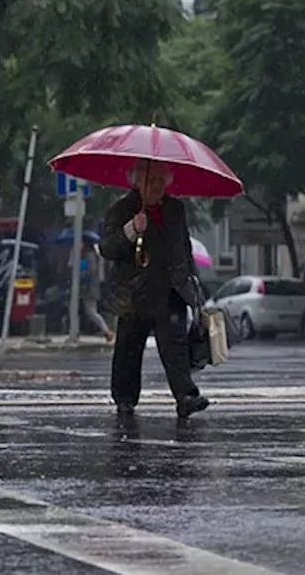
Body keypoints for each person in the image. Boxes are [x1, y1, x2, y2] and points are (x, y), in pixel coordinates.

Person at [99, 159, 210, 419]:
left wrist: (192, 285)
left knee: (175, 348)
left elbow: (184, 248)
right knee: (129, 347)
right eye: (151, 180)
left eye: (161, 180)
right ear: (136, 181)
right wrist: (131, 230)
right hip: (135, 292)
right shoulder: (122, 209)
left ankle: (186, 396)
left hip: (170, 291)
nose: (157, 186)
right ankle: (125, 399)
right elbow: (108, 248)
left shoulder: (175, 209)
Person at [79, 240, 115, 342]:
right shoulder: (86, 255)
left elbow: (91, 271)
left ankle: (107, 331)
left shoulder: (90, 255)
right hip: (88, 287)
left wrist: (82, 274)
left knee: (91, 311)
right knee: (87, 311)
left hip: (89, 288)